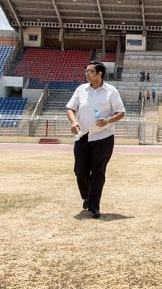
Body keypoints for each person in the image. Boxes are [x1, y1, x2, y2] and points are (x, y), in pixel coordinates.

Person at [66, 60, 126, 219]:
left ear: (100, 74)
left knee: (98, 172)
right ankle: (86, 196)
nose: (86, 74)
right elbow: (70, 108)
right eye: (86, 71)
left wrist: (108, 120)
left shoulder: (111, 91)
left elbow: (121, 112)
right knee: (80, 171)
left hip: (103, 137)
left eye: (90, 71)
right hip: (83, 136)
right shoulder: (81, 90)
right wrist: (74, 122)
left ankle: (94, 206)